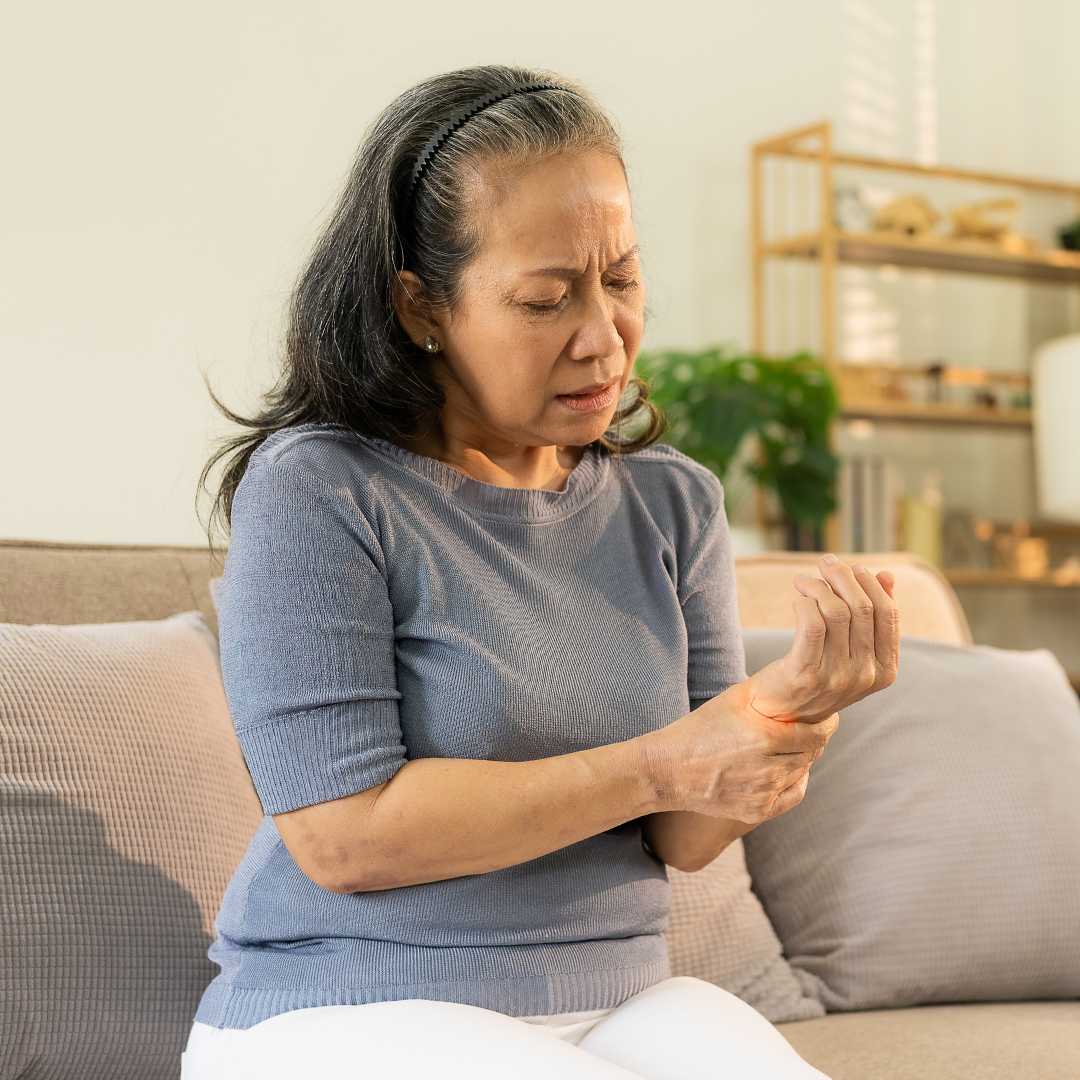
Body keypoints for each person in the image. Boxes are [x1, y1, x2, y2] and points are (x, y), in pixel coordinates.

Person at [188, 62, 899, 1080]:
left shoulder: (672, 501)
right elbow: (346, 840)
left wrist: (792, 707)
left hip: (617, 998)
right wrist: (661, 759)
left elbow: (682, 839)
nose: (604, 336)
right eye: (545, 299)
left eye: (621, 280)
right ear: (420, 305)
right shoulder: (322, 489)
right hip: (345, 1009)